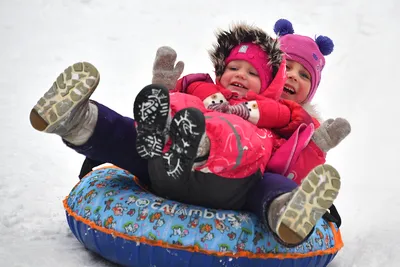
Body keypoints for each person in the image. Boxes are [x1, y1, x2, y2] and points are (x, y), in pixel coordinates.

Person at [28, 22, 344, 246]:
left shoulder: (282, 121)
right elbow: (171, 106)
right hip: (168, 161)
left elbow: (286, 168)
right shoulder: (202, 89)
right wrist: (164, 92)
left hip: (233, 180)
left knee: (272, 185)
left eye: (252, 73)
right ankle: (78, 120)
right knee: (133, 138)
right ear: (221, 72)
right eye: (234, 68)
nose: (240, 76)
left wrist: (315, 146)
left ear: (270, 85)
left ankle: (287, 212)